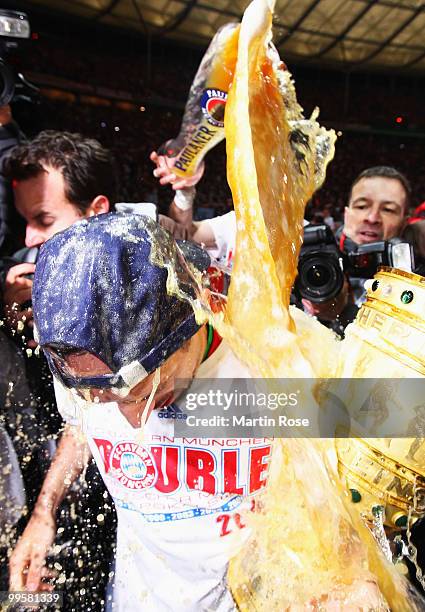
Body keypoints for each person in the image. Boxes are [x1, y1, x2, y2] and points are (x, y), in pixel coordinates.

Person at [9, 213, 271, 611]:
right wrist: (44, 513)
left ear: (188, 321)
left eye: (147, 394)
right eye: (104, 398)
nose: (135, 421)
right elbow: (80, 428)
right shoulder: (81, 372)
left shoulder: (269, 366)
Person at [0, 130, 118, 609]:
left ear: (97, 211)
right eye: (26, 222)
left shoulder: (146, 292)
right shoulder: (38, 291)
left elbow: (88, 413)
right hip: (61, 492)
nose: (29, 239)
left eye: (44, 220)